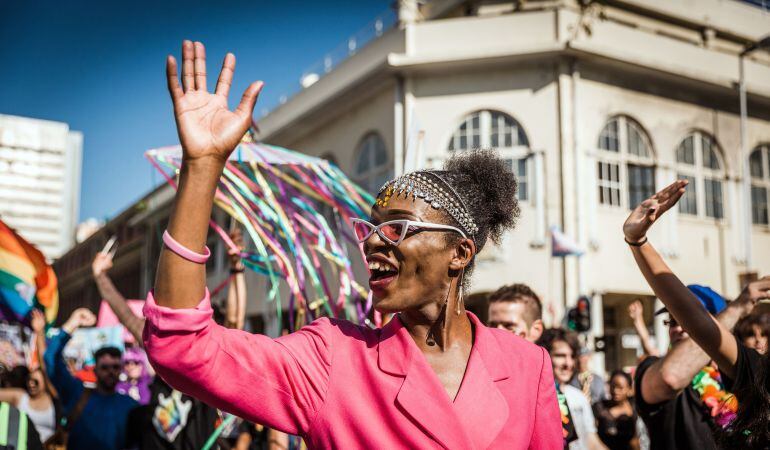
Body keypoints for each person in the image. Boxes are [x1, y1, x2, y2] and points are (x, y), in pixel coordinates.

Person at [143, 40, 562, 449]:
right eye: (372, 228)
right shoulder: (332, 359)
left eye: (398, 228)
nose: (373, 241)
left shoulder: (528, 365)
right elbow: (183, 347)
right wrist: (201, 168)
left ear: (459, 253)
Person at [622, 179, 770, 448]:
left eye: (687, 320)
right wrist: (638, 241)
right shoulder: (652, 368)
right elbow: (670, 378)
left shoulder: (748, 379)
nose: (679, 327)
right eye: (671, 320)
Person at [92, 250, 222, 450]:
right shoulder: (164, 345)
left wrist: (237, 270)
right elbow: (125, 314)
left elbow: (234, 320)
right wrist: (100, 277)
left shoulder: (209, 356)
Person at [43, 308, 138, 450]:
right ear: (95, 370)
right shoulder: (76, 394)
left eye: (115, 367)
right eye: (105, 367)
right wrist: (73, 323)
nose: (110, 372)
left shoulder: (130, 405)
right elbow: (50, 358)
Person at [537, 329, 607, 450]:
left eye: (572, 356)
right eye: (560, 356)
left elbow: (591, 440)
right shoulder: (534, 396)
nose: (568, 363)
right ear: (545, 355)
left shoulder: (578, 397)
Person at [0, 311, 56, 442]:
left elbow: (46, 364)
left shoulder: (53, 399)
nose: (31, 384)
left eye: (35, 381)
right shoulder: (20, 397)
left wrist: (40, 332)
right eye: (29, 380)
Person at [592, 370, 638, 450]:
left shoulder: (636, 409)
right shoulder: (599, 407)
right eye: (613, 386)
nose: (615, 391)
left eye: (620, 387)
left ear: (629, 389)